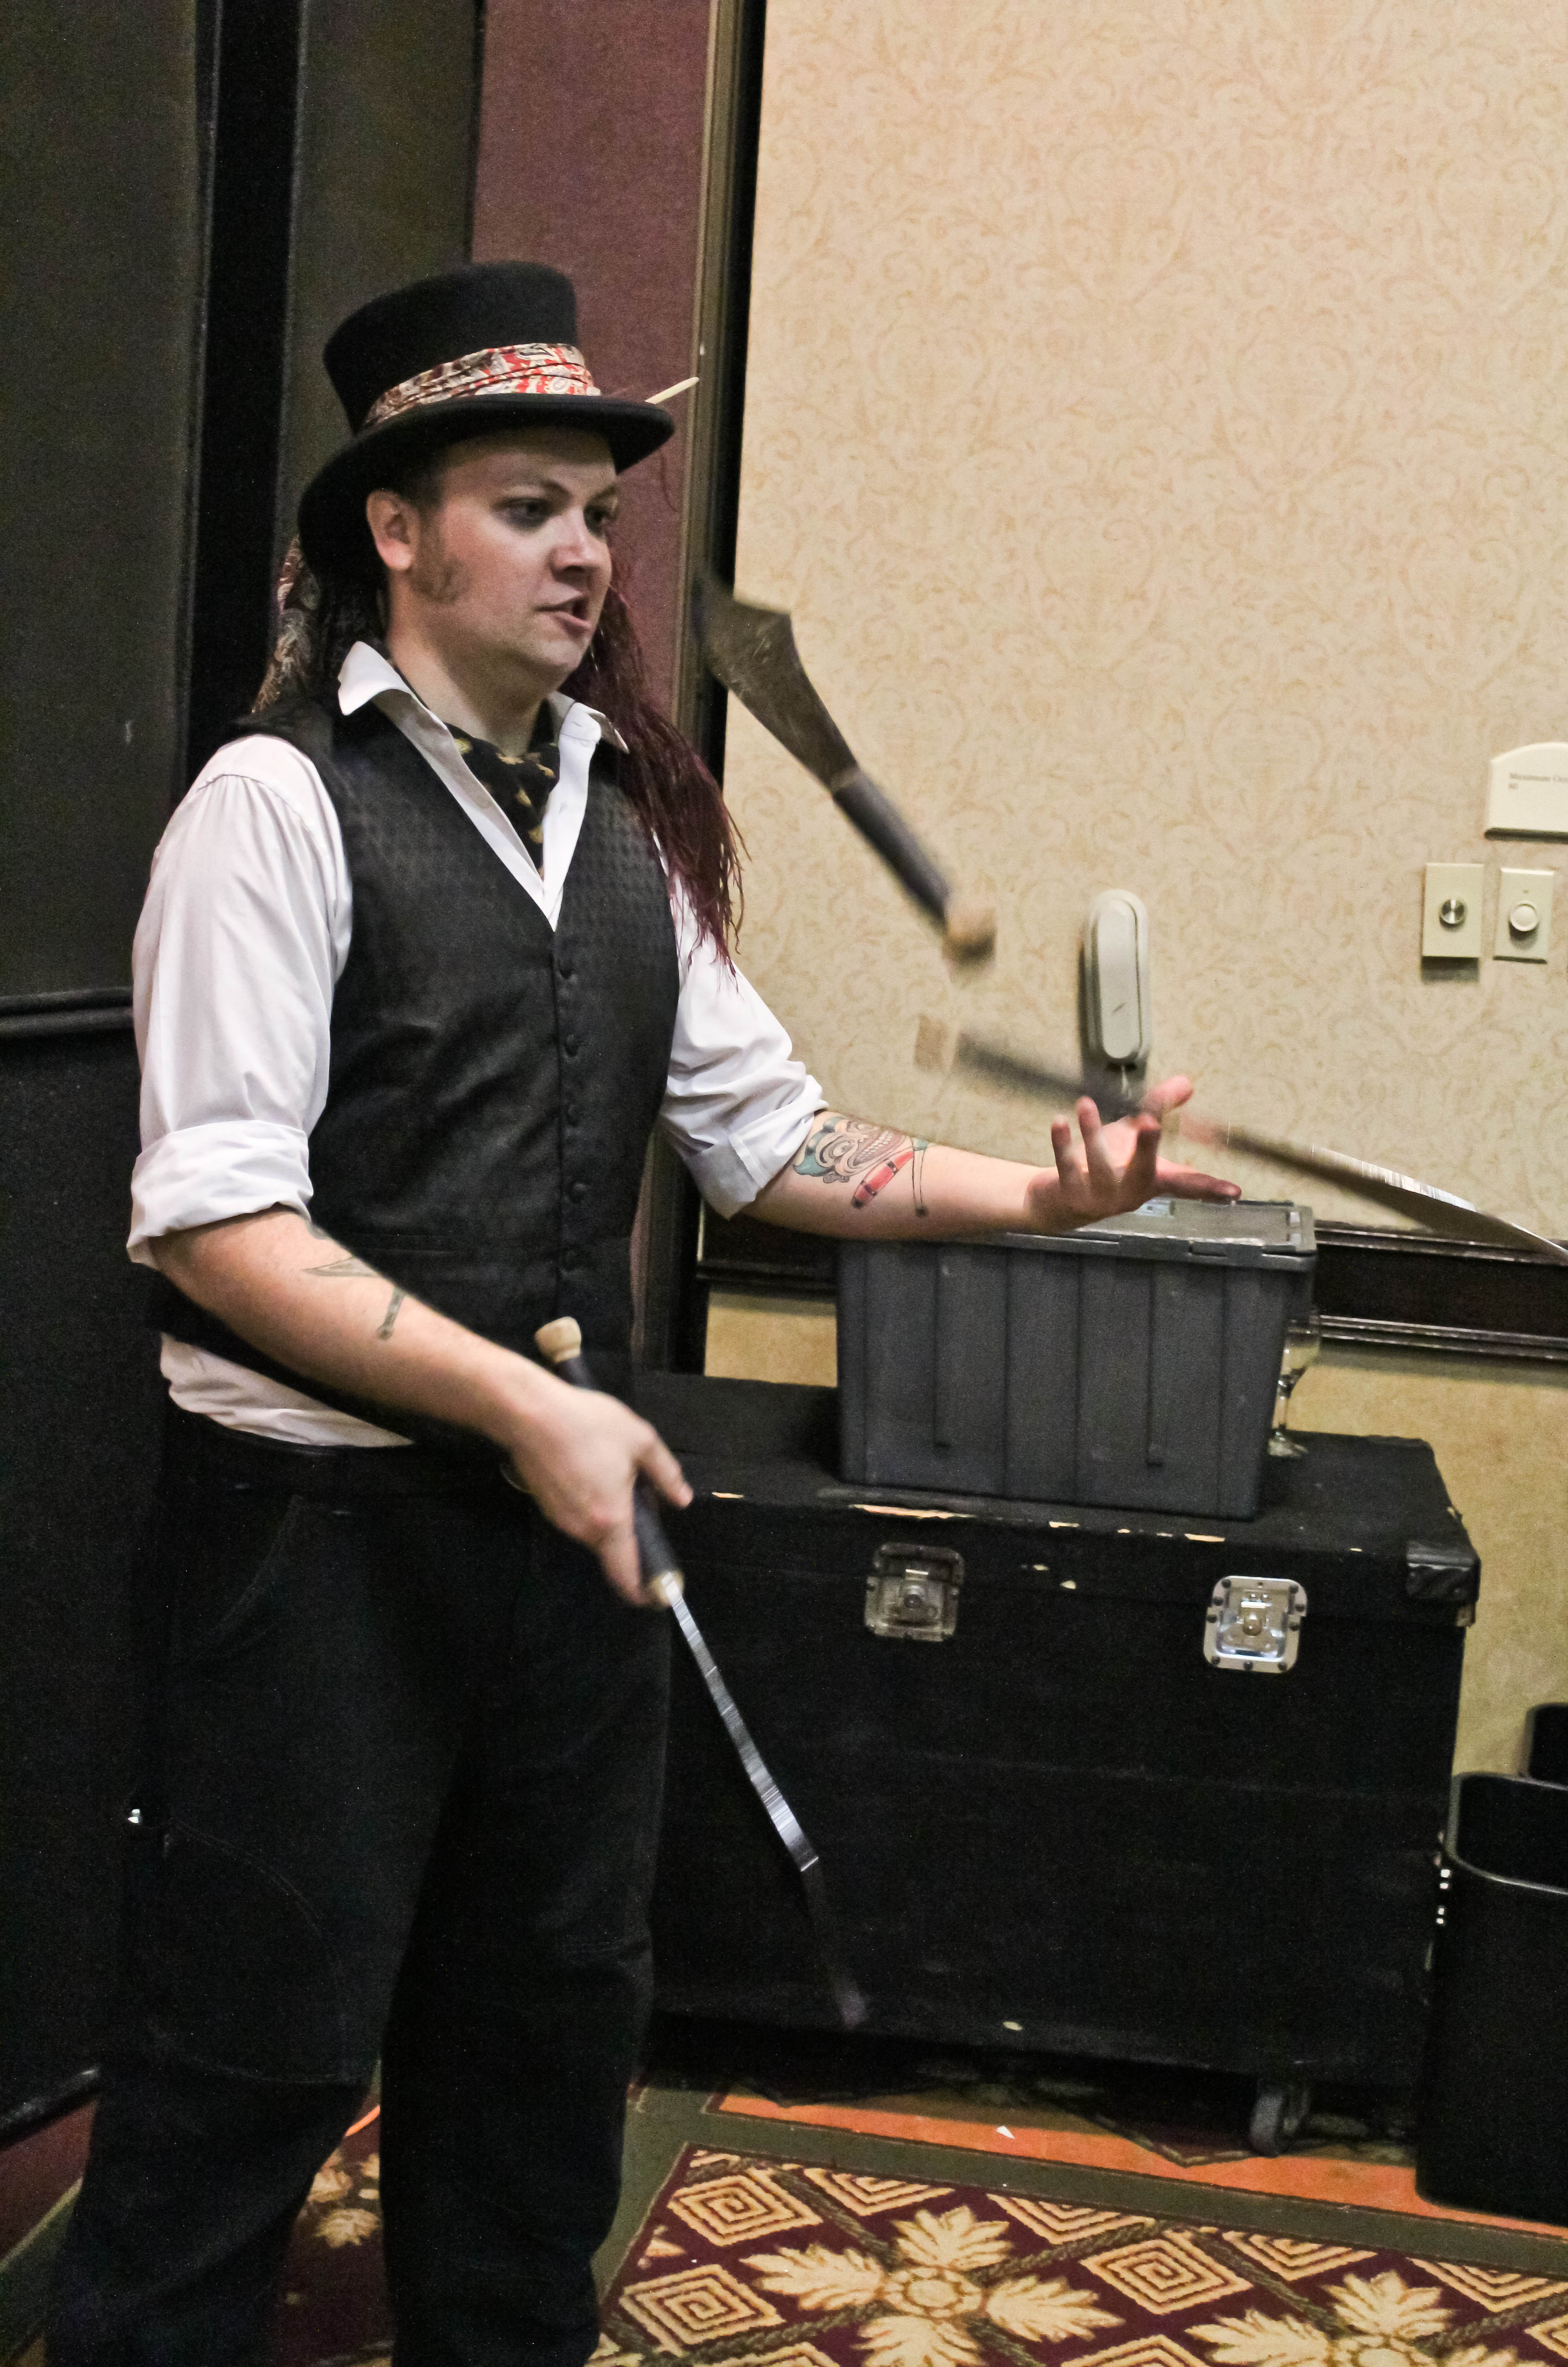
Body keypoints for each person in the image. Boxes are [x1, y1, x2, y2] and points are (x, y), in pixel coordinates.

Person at [49, 262, 1235, 2367]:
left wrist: (1053, 1199)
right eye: (526, 507)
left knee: (539, 2055)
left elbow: (775, 1142)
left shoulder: (622, 818)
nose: (585, 551)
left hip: (564, 1554)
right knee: (243, 2070)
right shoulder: (272, 808)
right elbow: (217, 1226)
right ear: (395, 530)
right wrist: (524, 1405)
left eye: (597, 510)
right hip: (314, 1560)